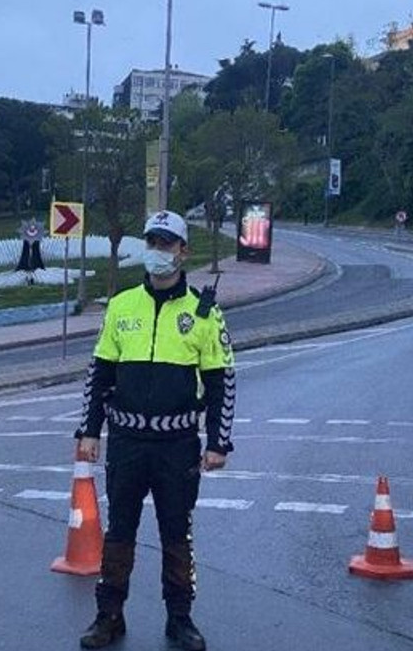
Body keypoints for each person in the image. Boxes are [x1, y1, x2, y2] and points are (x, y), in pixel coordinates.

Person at [75, 210, 237, 651]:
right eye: (152, 242)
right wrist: (88, 431)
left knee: (176, 534)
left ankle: (180, 619)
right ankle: (109, 616)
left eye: (167, 244)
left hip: (177, 446)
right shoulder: (122, 305)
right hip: (127, 443)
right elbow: (99, 374)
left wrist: (219, 442)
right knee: (119, 532)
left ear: (183, 251)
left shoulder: (203, 313)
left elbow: (223, 380)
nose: (158, 252)